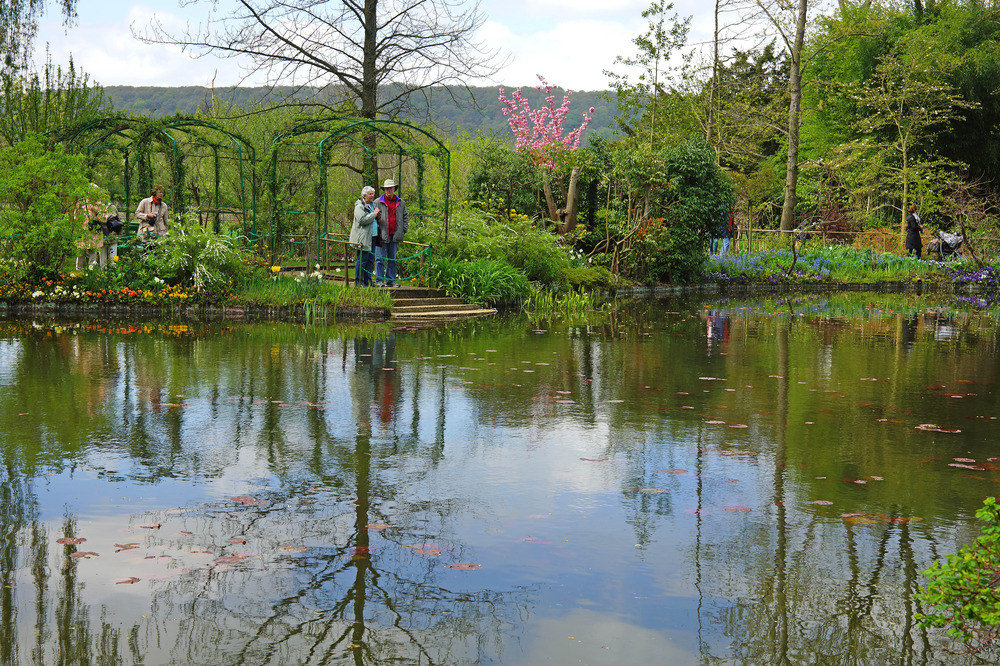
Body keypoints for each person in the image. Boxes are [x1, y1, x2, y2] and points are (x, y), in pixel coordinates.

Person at [374, 178, 409, 287]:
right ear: (384, 190)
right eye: (387, 189)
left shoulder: (400, 202)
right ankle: (379, 281)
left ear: (394, 189)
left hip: (395, 235)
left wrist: (403, 229)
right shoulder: (377, 202)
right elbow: (372, 217)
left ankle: (391, 280)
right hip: (381, 235)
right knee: (379, 258)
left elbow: (405, 216)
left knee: (392, 259)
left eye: (391, 188)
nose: (389, 190)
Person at [350, 185, 380, 286]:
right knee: (362, 260)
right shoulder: (359, 206)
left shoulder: (372, 205)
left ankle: (368, 281)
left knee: (371, 260)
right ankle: (359, 282)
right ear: (364, 195)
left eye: (373, 194)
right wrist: (374, 214)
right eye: (370, 194)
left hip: (373, 236)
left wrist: (377, 216)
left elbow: (372, 218)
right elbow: (362, 220)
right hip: (364, 238)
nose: (372, 196)